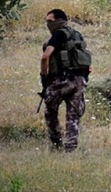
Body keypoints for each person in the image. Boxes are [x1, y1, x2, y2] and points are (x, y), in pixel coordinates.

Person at [40, 9, 88, 152]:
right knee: (73, 117)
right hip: (79, 81)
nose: (48, 24)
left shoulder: (58, 34)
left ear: (59, 20)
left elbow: (45, 57)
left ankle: (56, 144)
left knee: (50, 111)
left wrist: (44, 77)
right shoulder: (77, 35)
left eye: (50, 21)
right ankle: (70, 149)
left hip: (61, 81)